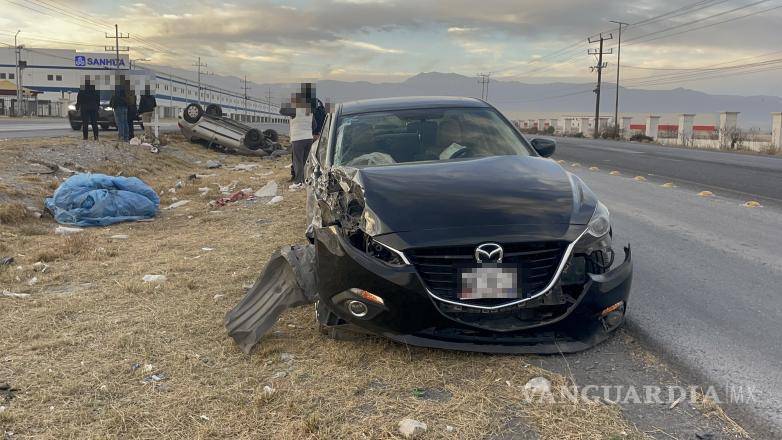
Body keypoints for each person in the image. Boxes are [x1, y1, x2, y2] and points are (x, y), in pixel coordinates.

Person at [280, 83, 321, 188]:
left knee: (297, 161)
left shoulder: (294, 109)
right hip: (308, 138)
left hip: (298, 139)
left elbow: (282, 111)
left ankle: (298, 182)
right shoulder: (309, 111)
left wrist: (289, 102)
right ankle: (306, 180)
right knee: (305, 161)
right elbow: (314, 125)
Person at [75, 77, 100, 141]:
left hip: (85, 107)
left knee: (85, 123)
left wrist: (77, 106)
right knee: (94, 123)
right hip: (93, 107)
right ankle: (96, 137)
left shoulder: (82, 88)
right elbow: (98, 98)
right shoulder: (94, 88)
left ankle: (85, 137)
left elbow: (79, 97)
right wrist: (97, 106)